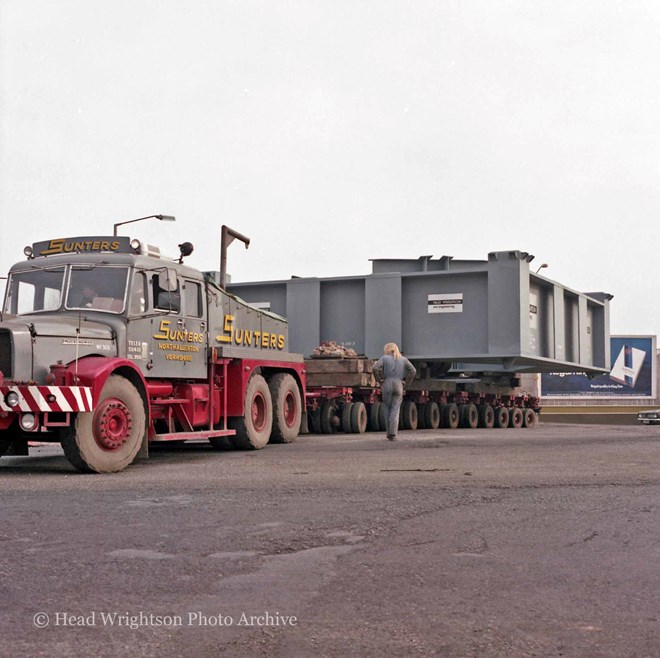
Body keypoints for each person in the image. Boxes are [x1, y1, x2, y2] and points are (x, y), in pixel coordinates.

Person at [373, 342, 416, 440]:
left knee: (387, 408)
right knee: (395, 409)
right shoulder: (404, 359)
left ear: (387, 349)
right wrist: (406, 382)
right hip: (399, 384)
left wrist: (379, 380)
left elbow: (375, 368)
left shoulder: (384, 358)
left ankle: (389, 433)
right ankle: (393, 434)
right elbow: (413, 371)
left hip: (387, 383)